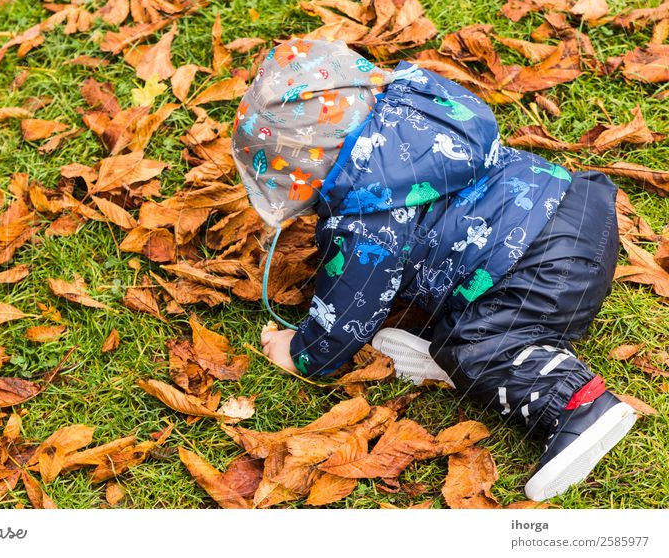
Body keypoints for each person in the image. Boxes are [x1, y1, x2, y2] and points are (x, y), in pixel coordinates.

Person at [232, 39, 637, 502]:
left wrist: (303, 349)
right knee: (461, 309)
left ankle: (578, 402)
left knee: (475, 349)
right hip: (578, 209)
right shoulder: (412, 107)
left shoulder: (369, 219)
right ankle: (455, 342)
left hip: (539, 276)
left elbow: (353, 304)